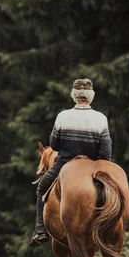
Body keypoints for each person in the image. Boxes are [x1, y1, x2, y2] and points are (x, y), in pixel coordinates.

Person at [29, 78, 112, 247]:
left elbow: (54, 145)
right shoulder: (101, 118)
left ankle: (39, 230)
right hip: (94, 166)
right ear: (91, 97)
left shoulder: (63, 116)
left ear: (74, 96)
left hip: (65, 164)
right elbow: (105, 152)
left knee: (41, 188)